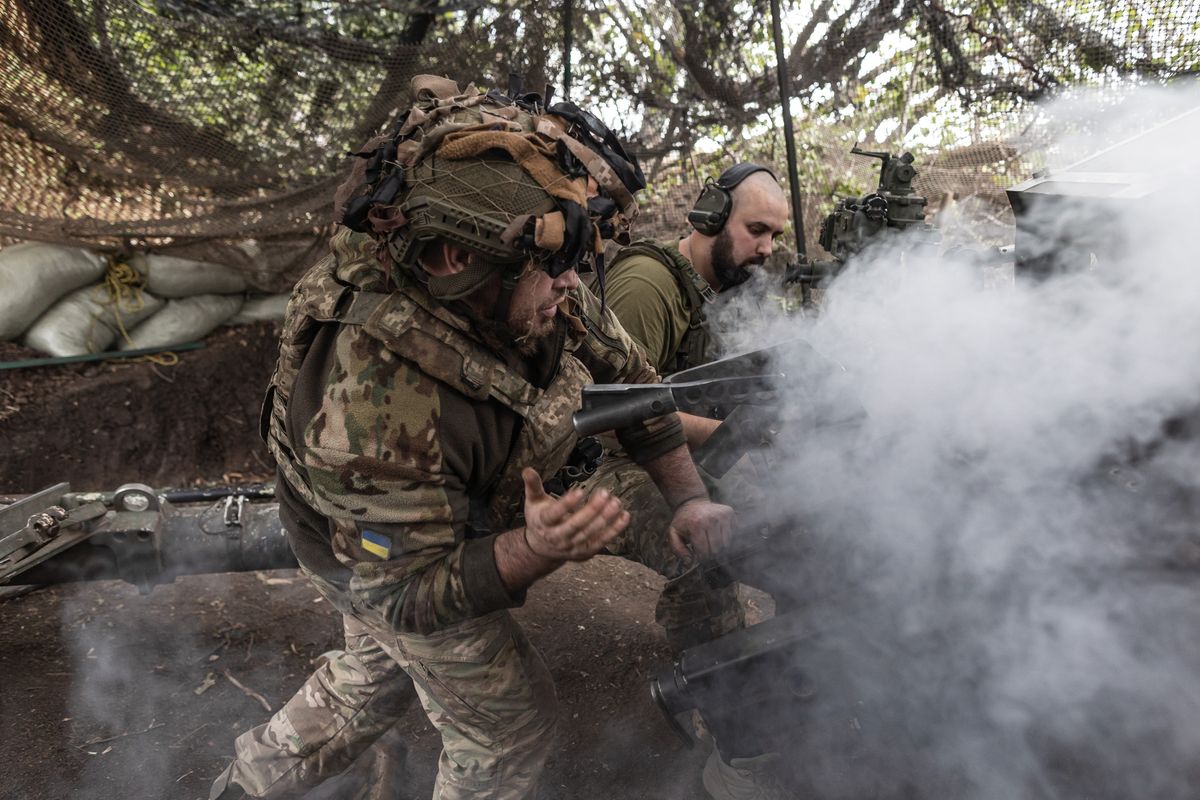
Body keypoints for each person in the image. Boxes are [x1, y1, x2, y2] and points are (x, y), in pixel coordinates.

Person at [209, 75, 741, 800]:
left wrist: (688, 499)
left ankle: (246, 786)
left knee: (373, 676)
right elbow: (406, 594)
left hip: (452, 509)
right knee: (505, 728)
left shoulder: (533, 272)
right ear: (456, 258)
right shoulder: (373, 402)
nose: (573, 286)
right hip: (374, 553)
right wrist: (536, 549)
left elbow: (637, 385)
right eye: (554, 269)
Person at [600, 163, 790, 375]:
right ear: (712, 217)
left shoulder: (726, 287)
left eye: (774, 236)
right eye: (756, 229)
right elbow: (615, 393)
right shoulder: (645, 287)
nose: (767, 249)